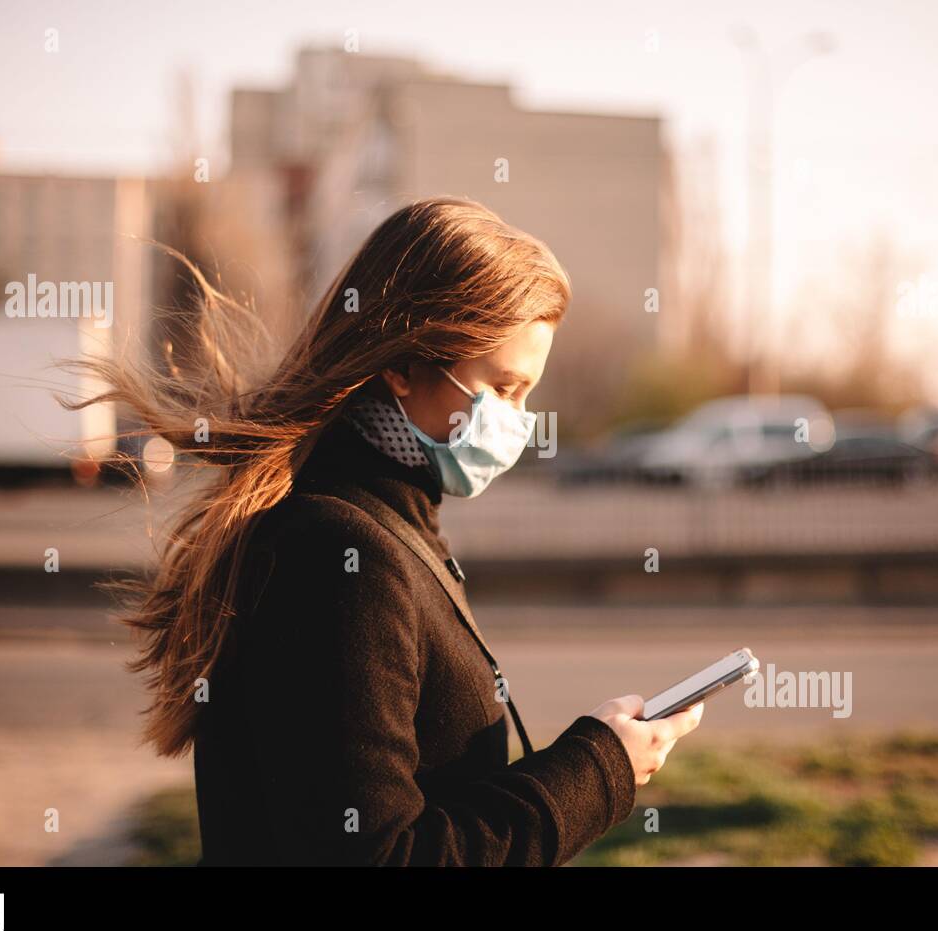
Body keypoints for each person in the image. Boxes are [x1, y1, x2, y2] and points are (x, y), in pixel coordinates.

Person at [72, 196, 704, 865]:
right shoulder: (338, 553)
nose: (519, 421)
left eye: (528, 394)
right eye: (504, 388)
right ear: (402, 365)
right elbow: (380, 856)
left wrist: (601, 758)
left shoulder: (387, 523)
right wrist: (600, 769)